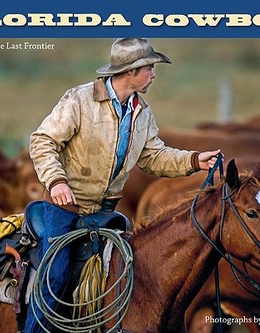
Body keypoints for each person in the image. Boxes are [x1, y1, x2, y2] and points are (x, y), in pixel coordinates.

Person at [25, 37, 221, 332]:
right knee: (56, 274)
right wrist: (56, 181)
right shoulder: (79, 100)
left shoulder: (141, 112)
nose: (153, 75)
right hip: (65, 206)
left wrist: (195, 160)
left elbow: (154, 156)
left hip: (105, 212)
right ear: (131, 71)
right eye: (150, 69)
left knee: (128, 271)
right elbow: (43, 141)